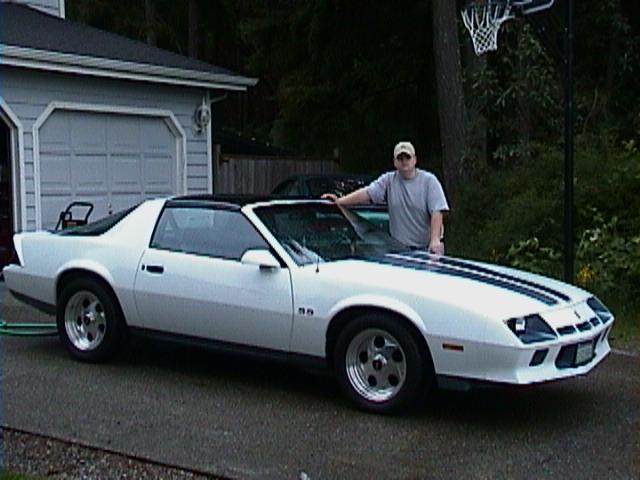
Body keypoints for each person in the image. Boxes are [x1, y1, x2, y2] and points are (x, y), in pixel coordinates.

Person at [322, 141, 449, 254]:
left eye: (407, 157)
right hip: (399, 250)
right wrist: (340, 201)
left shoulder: (429, 181)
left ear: (415, 160)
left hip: (426, 249)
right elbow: (367, 193)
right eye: (400, 158)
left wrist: (435, 240)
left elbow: (437, 211)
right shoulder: (388, 180)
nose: (404, 161)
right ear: (395, 162)